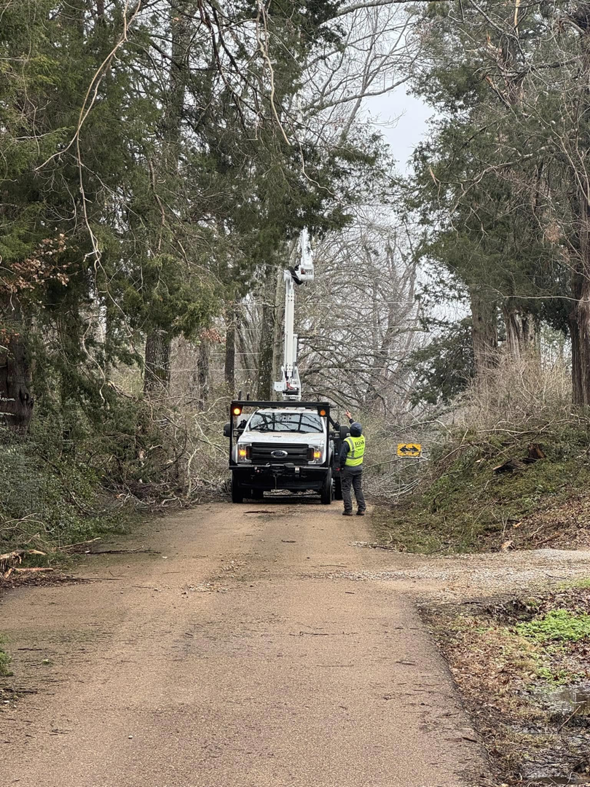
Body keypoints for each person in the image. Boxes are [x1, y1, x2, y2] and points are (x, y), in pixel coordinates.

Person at [339, 410, 366, 517]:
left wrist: (341, 467)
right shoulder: (362, 438)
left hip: (348, 469)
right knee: (358, 488)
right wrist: (350, 418)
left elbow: (342, 457)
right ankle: (362, 509)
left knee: (346, 489)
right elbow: (356, 427)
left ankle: (348, 510)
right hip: (358, 468)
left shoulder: (348, 441)